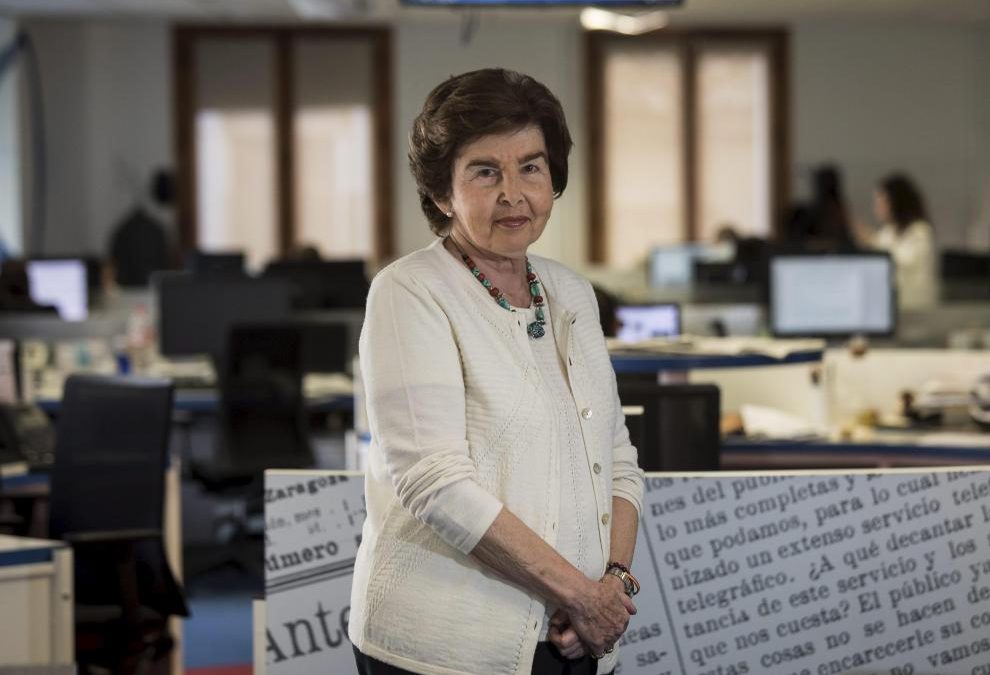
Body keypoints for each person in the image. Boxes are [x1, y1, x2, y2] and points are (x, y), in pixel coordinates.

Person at [349, 68, 645, 675]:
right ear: (441, 193)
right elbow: (434, 482)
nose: (514, 193)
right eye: (486, 171)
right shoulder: (410, 292)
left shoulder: (572, 293)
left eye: (531, 167)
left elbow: (617, 459)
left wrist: (609, 585)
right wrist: (579, 595)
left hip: (579, 637)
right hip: (444, 647)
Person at [854, 173, 938, 310]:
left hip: (916, 307)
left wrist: (871, 240)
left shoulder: (920, 231)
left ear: (896, 201)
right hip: (892, 307)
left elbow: (902, 259)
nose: (877, 207)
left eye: (881, 200)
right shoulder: (887, 232)